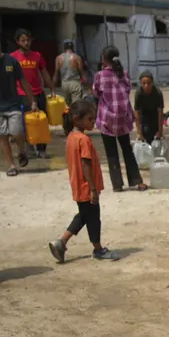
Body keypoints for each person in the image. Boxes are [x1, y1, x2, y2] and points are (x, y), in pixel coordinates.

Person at [48, 100, 120, 262]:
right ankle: (98, 249)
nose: (92, 122)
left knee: (84, 215)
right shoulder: (83, 140)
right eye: (89, 119)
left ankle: (61, 242)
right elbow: (86, 164)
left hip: (78, 185)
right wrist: (93, 189)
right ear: (76, 119)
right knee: (93, 218)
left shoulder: (71, 137)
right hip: (87, 187)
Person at [91, 46, 146, 192]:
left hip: (107, 119)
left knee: (111, 152)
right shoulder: (125, 74)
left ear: (103, 59)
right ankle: (136, 180)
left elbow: (96, 93)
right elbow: (127, 91)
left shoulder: (99, 75)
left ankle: (117, 184)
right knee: (127, 149)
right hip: (123, 118)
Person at [12, 29, 55, 158]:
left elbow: (45, 73)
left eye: (28, 40)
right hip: (21, 94)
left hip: (39, 92)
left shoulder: (37, 56)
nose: (26, 43)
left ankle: (42, 149)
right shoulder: (13, 57)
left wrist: (52, 88)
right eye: (23, 40)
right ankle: (29, 147)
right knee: (25, 122)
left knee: (42, 121)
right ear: (17, 42)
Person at [1, 44, 34, 176]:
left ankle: (21, 151)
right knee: (2, 137)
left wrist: (32, 101)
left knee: (17, 132)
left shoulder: (11, 61)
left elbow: (23, 81)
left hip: (13, 104)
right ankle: (11, 165)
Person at [54, 40, 91, 108]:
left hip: (64, 84)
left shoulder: (58, 58)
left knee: (67, 105)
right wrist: (89, 87)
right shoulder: (77, 58)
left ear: (64, 47)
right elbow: (82, 73)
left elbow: (56, 74)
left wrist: (53, 89)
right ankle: (75, 117)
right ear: (73, 47)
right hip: (75, 83)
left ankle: (68, 118)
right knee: (76, 105)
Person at [133, 71, 164, 144]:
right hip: (144, 114)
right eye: (144, 83)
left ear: (152, 83)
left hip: (155, 114)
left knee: (156, 137)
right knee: (146, 134)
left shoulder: (157, 93)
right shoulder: (139, 93)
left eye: (148, 83)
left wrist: (160, 131)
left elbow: (160, 113)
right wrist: (139, 133)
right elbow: (137, 114)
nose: (146, 86)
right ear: (141, 83)